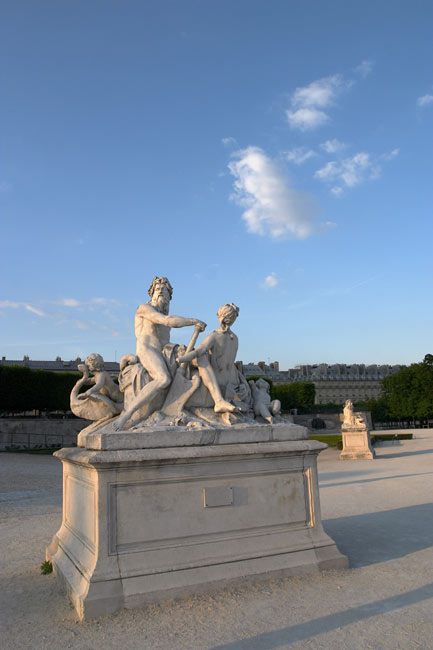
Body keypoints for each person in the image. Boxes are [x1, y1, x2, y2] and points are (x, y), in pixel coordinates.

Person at [114, 277, 231, 430]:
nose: (161, 291)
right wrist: (192, 321)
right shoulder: (144, 308)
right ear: (152, 294)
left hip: (166, 352)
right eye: (157, 289)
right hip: (148, 350)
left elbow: (167, 330)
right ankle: (126, 415)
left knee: (199, 355)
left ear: (170, 296)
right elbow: (167, 320)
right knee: (163, 378)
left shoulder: (165, 314)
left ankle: (218, 400)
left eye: (165, 290)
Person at [177, 302, 248, 411]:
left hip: (218, 380)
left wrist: (181, 359)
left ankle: (218, 401)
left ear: (220, 316)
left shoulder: (214, 336)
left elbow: (198, 352)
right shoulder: (235, 338)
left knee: (200, 357)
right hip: (233, 382)